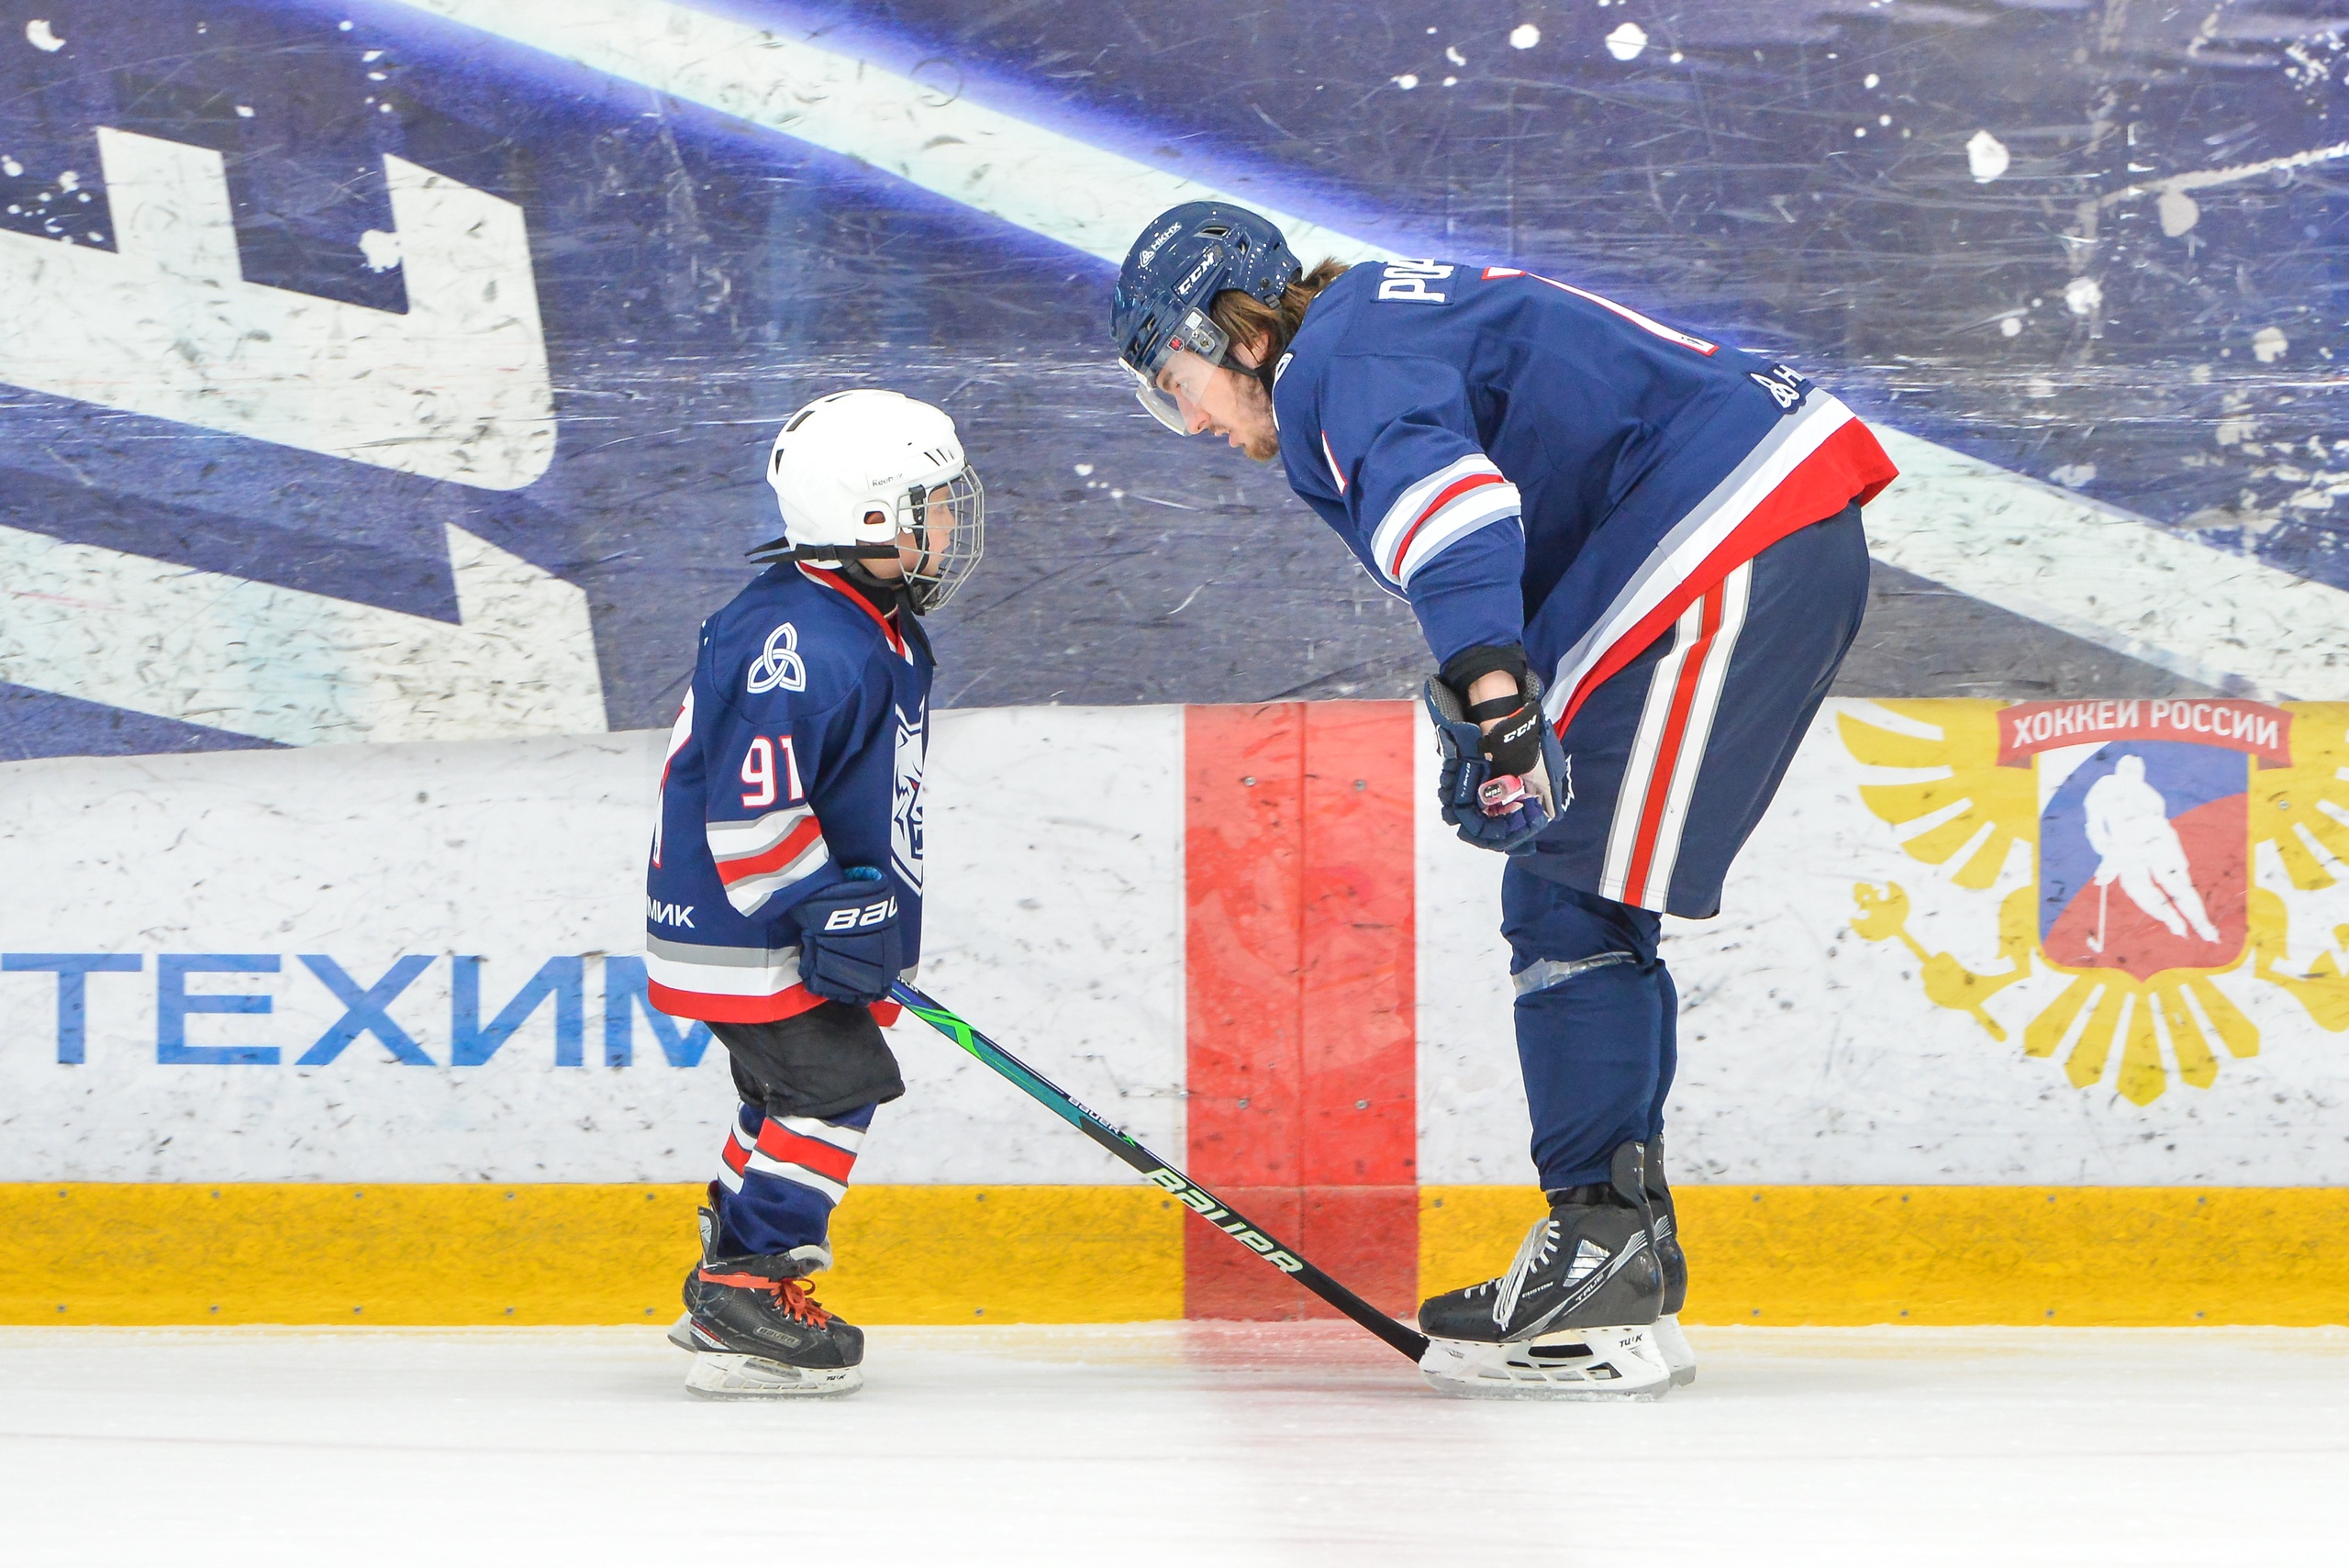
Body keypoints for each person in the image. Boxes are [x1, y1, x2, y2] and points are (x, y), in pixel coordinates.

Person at [1111, 204, 1897, 1397]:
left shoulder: (1331, 367)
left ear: (1240, 332)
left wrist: (1495, 694)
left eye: (1180, 384)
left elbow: (1458, 509)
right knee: (1574, 889)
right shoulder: (1369, 323)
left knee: (1567, 893)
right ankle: (1619, 1250)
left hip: (1730, 521)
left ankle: (1604, 1251)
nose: (1199, 425)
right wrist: (1506, 688)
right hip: (1735, 510)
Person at [643, 388, 983, 1397]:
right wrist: (825, 907)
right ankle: (744, 1285)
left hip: (775, 924)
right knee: (834, 1089)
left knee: (783, 1094)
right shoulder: (802, 640)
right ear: (865, 518)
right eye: (930, 506)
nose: (948, 526)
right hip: (751, 928)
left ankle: (727, 1269)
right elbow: (750, 815)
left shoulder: (862, 619)